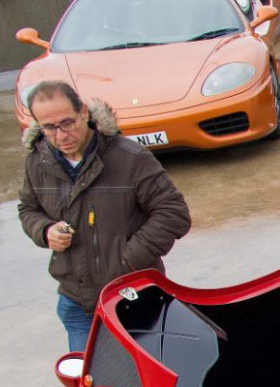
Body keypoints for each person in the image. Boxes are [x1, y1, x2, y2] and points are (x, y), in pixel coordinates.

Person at [17, 81, 191, 353]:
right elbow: (27, 209)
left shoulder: (130, 158)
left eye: (67, 123)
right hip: (77, 304)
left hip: (135, 297)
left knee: (151, 385)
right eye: (49, 128)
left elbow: (174, 213)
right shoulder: (36, 163)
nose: (61, 135)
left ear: (84, 112)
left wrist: (128, 258)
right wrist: (44, 230)